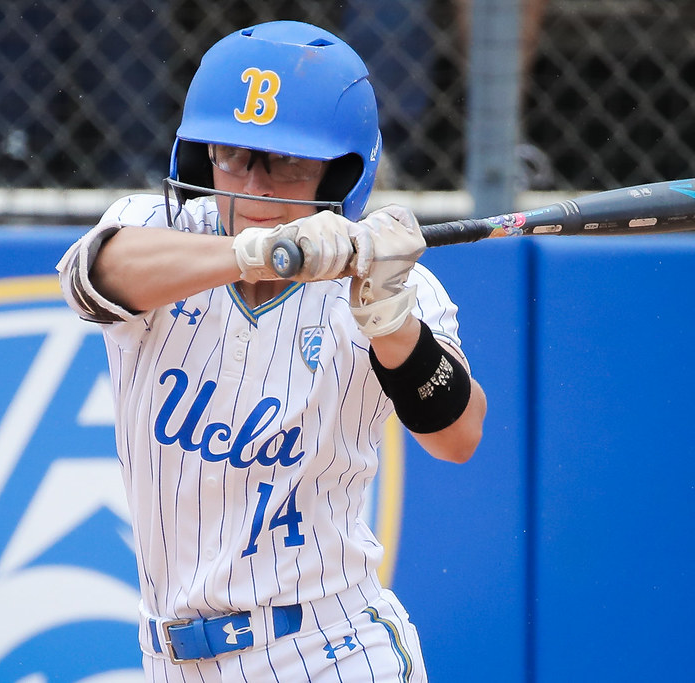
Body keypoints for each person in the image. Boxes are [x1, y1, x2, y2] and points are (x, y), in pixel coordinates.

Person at [57, 20, 486, 681]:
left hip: (328, 649)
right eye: (233, 154)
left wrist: (391, 322)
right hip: (168, 658)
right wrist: (249, 252)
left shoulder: (392, 284)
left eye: (285, 163)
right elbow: (93, 279)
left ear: (338, 173)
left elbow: (459, 434)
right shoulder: (156, 232)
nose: (253, 189)